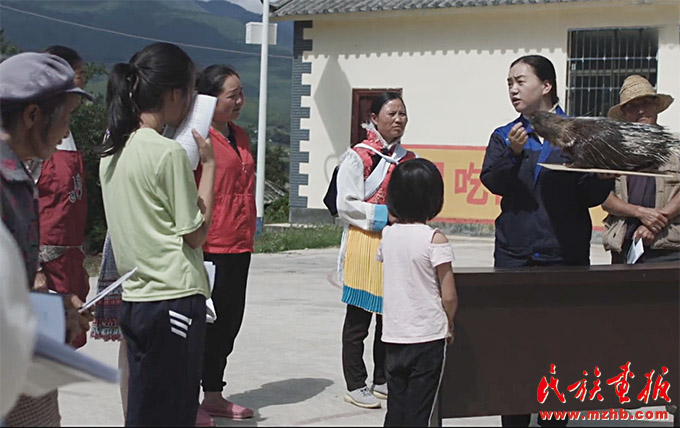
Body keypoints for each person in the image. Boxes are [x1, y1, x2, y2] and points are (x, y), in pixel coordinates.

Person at [480, 55, 613, 427]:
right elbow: (493, 181)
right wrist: (513, 154)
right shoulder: (506, 135)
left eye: (520, 81)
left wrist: (601, 177)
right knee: (514, 349)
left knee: (561, 348)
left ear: (547, 85)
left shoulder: (579, 134)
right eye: (509, 83)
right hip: (515, 257)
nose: (513, 89)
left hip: (563, 256)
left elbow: (589, 195)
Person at [98, 42, 215, 427]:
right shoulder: (168, 153)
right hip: (174, 296)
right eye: (191, 90)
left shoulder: (111, 152)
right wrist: (209, 168)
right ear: (174, 94)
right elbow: (195, 233)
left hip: (136, 298)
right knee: (175, 409)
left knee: (144, 406)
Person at [0, 51, 93, 426]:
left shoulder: (19, 175)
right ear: (32, 115)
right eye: (65, 117)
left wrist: (51, 306)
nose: (66, 131)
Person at [336, 92, 416, 409]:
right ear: (373, 118)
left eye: (402, 113)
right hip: (363, 242)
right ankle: (356, 383)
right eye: (391, 113)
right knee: (358, 321)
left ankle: (383, 379)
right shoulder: (359, 157)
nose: (398, 119)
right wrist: (384, 215)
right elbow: (346, 204)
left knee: (389, 319)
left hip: (395, 244)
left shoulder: (408, 159)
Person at [194, 65, 256, 423]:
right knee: (204, 324)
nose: (239, 101)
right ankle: (189, 396)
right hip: (209, 245)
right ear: (209, 99)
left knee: (229, 322)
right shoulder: (197, 137)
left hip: (240, 242)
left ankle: (214, 394)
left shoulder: (241, 135)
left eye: (241, 93)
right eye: (232, 95)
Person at [377, 158, 458, 427]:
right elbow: (448, 294)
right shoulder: (434, 239)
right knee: (420, 411)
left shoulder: (388, 236)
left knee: (396, 407)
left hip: (394, 334)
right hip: (427, 336)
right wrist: (449, 321)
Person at [30, 45, 90, 349]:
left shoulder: (65, 132)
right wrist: (35, 272)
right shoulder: (32, 138)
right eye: (78, 76)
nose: (82, 85)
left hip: (69, 260)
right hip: (44, 265)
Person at [602, 75, 680, 263]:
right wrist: (639, 212)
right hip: (624, 244)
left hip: (668, 247)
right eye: (633, 106)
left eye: (646, 103)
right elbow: (604, 198)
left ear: (656, 105)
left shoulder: (676, 147)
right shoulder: (613, 151)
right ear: (625, 113)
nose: (641, 111)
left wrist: (656, 222)